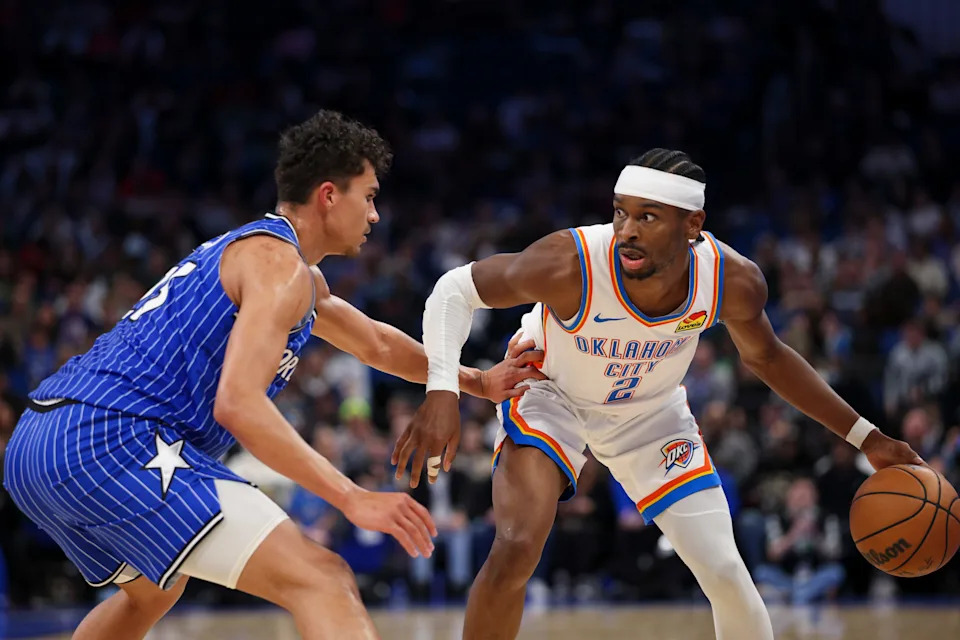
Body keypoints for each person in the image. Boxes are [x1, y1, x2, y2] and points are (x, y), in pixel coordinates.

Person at [3, 110, 543, 640]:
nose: (375, 215)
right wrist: (351, 495)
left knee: (153, 592)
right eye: (369, 196)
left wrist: (476, 382)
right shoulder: (277, 266)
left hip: (40, 442)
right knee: (323, 578)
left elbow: (376, 344)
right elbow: (237, 403)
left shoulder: (281, 267)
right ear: (329, 195)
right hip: (109, 437)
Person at [393, 148, 923, 640]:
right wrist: (442, 392)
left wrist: (867, 438)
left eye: (648, 217)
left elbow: (768, 358)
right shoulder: (572, 262)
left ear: (693, 225)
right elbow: (454, 291)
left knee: (724, 570)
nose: (627, 230)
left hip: (651, 414)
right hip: (550, 392)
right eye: (621, 213)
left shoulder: (730, 280)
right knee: (517, 547)